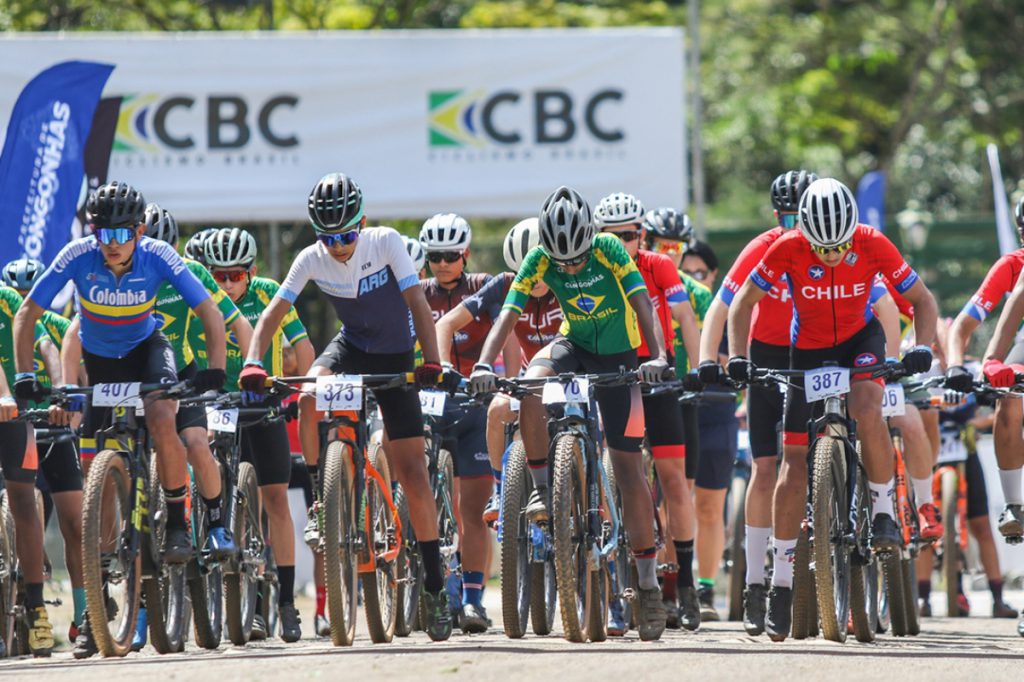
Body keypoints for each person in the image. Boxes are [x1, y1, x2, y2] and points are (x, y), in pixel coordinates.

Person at [12, 181, 229, 654]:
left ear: (139, 231)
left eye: (121, 234)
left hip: (148, 352)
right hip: (102, 363)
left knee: (162, 417)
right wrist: (26, 375)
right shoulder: (78, 255)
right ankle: (96, 614)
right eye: (102, 234)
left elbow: (209, 311)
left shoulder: (158, 255)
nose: (111, 244)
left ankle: (177, 520)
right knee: (98, 481)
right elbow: (27, 312)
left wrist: (215, 370)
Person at [238, 172, 455, 641]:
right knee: (310, 393)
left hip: (396, 355)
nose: (338, 247)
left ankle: (436, 587)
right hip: (352, 347)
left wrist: (431, 361)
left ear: (362, 223)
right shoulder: (311, 257)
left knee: (414, 472)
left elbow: (417, 303)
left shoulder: (386, 241)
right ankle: (323, 495)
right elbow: (273, 314)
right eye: (328, 238)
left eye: (346, 236)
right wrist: (253, 360)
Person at [725, 177, 938, 641]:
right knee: (791, 464)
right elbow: (742, 303)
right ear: (805, 234)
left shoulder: (873, 242)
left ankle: (882, 511)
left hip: (861, 341)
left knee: (867, 405)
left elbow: (922, 300)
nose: (832, 255)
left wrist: (922, 346)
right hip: (809, 350)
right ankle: (781, 585)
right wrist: (738, 356)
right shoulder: (786, 247)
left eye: (840, 246)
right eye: (822, 248)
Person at [469, 186, 671, 641]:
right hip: (573, 344)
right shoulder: (539, 258)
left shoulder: (609, 248)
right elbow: (507, 315)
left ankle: (647, 584)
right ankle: (543, 490)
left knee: (629, 469)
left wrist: (657, 356)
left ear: (590, 240)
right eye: (563, 262)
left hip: (620, 355)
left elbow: (642, 301)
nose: (572, 266)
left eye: (578, 258)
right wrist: (483, 364)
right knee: (530, 385)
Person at [697, 170, 816, 634]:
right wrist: (710, 360)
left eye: (802, 216)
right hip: (765, 355)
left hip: (813, 353)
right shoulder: (763, 247)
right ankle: (753, 583)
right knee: (765, 469)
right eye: (787, 218)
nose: (795, 227)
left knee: (812, 455)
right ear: (775, 217)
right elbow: (722, 306)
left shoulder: (831, 245)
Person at [594, 192, 704, 632]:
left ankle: (687, 583)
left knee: (674, 479)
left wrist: (698, 370)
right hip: (615, 374)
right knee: (613, 479)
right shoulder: (594, 267)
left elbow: (685, 317)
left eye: (630, 235)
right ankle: (615, 587)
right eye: (614, 236)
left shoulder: (659, 265)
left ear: (642, 234)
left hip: (658, 377)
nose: (623, 243)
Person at [205, 226, 314, 642]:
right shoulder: (203, 296)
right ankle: (235, 602)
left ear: (250, 272)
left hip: (263, 404)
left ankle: (285, 602)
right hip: (221, 407)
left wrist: (296, 393)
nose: (227, 284)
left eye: (235, 275)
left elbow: (304, 350)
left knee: (276, 501)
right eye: (219, 276)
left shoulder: (269, 292)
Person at [435, 218, 561, 529]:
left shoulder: (567, 281)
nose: (532, 280)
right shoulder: (505, 284)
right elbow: (446, 323)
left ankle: (602, 512)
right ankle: (502, 490)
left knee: (595, 439)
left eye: (539, 271)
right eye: (523, 274)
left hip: (570, 373)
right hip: (532, 376)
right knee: (497, 409)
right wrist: (444, 367)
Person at [1, 258, 87, 644]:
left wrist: (62, 400)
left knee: (69, 520)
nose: (24, 299)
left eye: (29, 293)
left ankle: (76, 611)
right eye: (18, 292)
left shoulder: (43, 319)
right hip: (16, 416)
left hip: (44, 424)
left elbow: (52, 352)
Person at [417, 213, 496, 633]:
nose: (442, 264)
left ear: (465, 254)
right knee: (424, 499)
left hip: (474, 407)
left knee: (473, 512)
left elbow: (508, 332)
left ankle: (473, 599)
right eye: (435, 257)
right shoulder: (417, 292)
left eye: (450, 256)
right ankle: (434, 588)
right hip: (432, 407)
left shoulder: (483, 286)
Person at [946, 195, 1024, 542]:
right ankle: (1015, 505)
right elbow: (963, 326)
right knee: (1008, 399)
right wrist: (989, 361)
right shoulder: (1013, 267)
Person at [0, 281, 64, 656]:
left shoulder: (7, 298)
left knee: (24, 500)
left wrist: (60, 390)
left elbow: (45, 343)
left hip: (10, 409)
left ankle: (37, 607)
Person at [681, 236, 736, 621]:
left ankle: (705, 588)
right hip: (678, 407)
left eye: (700, 273)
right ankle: (675, 583)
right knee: (673, 499)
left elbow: (735, 361)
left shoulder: (725, 310)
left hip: (717, 410)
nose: (693, 279)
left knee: (709, 507)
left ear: (714, 275)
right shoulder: (668, 305)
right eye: (686, 273)